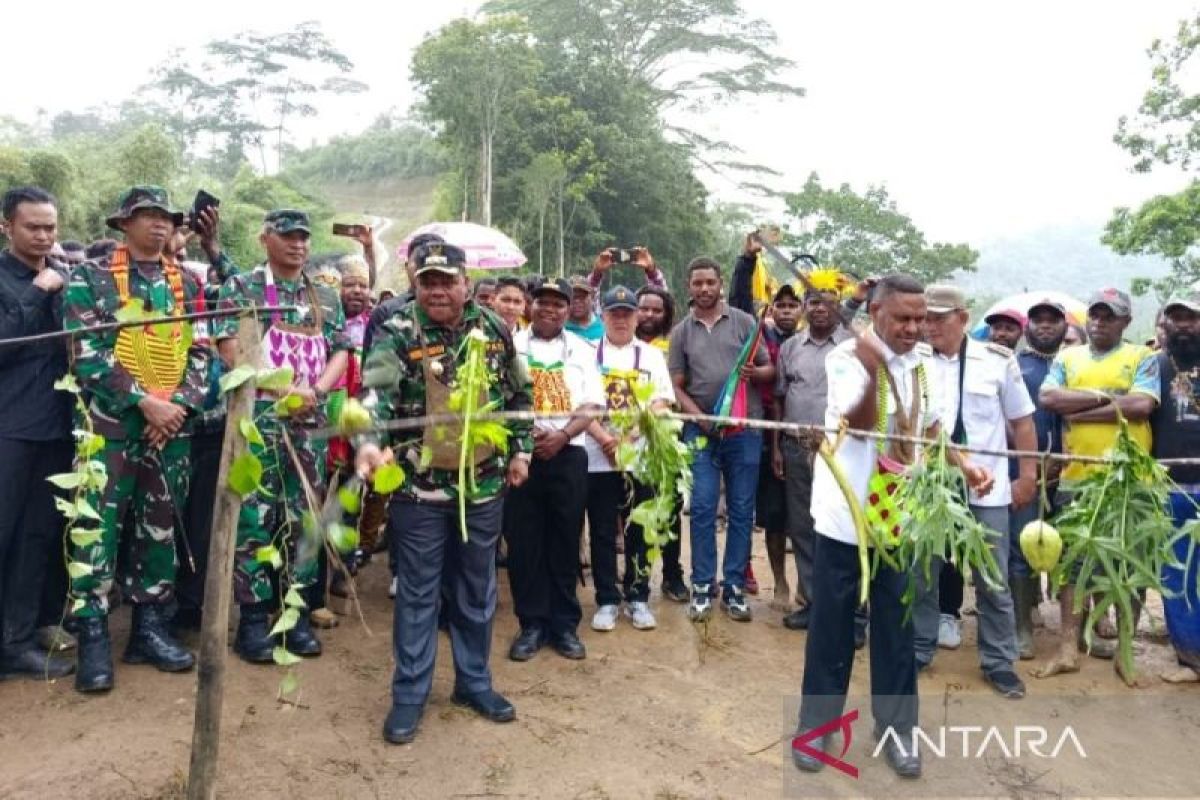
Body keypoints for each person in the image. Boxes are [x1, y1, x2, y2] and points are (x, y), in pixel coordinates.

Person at [793, 274, 993, 779]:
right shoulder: (844, 358)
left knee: (897, 629)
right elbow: (857, 425)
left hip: (901, 518)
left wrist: (965, 465)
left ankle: (898, 732)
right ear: (877, 312)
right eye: (903, 318)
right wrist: (870, 369)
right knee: (832, 630)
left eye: (919, 318)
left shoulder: (926, 366)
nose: (913, 327)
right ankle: (816, 729)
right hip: (847, 516)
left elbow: (933, 429)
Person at [355, 243, 533, 744]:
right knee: (418, 593)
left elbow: (520, 395)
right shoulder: (397, 330)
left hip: (483, 486)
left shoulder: (495, 329)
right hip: (419, 489)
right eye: (427, 280)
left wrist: (520, 451)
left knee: (477, 591)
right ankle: (409, 695)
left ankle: (474, 684)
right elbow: (374, 396)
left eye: (446, 280)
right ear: (415, 282)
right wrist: (370, 442)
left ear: (465, 283)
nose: (436, 290)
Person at [64, 186, 213, 694]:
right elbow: (86, 352)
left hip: (170, 431)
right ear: (123, 224)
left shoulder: (188, 283)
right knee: (99, 529)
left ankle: (149, 629)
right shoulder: (90, 278)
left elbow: (202, 351)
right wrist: (143, 402)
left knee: (160, 529)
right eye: (145, 216)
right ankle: (93, 638)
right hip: (110, 429)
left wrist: (177, 406)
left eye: (165, 217)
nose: (157, 224)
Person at [214, 209, 349, 664]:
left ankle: (292, 614)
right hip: (259, 422)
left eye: (303, 238)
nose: (298, 245)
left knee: (304, 518)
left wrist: (316, 391)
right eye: (287, 237)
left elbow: (342, 352)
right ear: (265, 238)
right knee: (255, 519)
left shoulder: (325, 295)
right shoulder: (242, 288)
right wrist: (278, 388)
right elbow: (229, 347)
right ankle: (253, 621)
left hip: (309, 424)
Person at [911, 285, 1036, 699]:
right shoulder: (913, 359)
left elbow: (1021, 422)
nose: (929, 326)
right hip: (929, 486)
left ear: (964, 318)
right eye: (925, 317)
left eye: (938, 318)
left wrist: (1027, 475)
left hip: (988, 486)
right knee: (923, 570)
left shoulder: (997, 361)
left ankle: (999, 661)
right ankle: (919, 647)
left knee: (993, 577)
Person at [1036, 288, 1160, 679]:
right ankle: (1068, 649)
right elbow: (1049, 398)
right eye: (1096, 315)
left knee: (1128, 567)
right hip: (1077, 478)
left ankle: (1125, 651)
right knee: (1073, 567)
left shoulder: (1144, 357)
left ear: (1125, 322)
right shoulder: (1067, 356)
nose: (1100, 322)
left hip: (1128, 482)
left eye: (1110, 316)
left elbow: (1142, 405)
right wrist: (1109, 397)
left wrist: (1084, 410)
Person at [669, 257, 774, 622]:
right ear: (689, 287)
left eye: (710, 282)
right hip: (701, 432)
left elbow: (769, 368)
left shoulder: (745, 322)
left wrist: (755, 371)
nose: (705, 289)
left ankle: (733, 587)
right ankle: (702, 585)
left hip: (744, 430)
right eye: (697, 283)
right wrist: (698, 418)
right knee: (700, 508)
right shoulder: (681, 331)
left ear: (718, 284)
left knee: (742, 510)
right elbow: (676, 387)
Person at [507, 278, 605, 660]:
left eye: (558, 304)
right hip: (521, 454)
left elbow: (593, 405)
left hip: (569, 453)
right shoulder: (511, 345)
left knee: (565, 540)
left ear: (569, 309)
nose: (550, 309)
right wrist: (526, 434)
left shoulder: (582, 349)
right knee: (524, 541)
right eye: (543, 302)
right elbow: (498, 397)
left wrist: (562, 436)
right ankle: (531, 625)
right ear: (531, 305)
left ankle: (564, 626)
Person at [0, 187, 74, 680]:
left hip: (55, 426)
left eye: (50, 227)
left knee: (37, 535)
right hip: (10, 429)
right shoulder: (21, 281)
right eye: (34, 227)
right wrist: (37, 290)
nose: (44, 236)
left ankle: (18, 641)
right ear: (7, 226)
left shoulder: (66, 278)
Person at [584, 286, 675, 633]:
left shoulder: (651, 356)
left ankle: (637, 597)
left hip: (641, 456)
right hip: (598, 454)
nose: (621, 320)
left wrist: (632, 433)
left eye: (627, 313)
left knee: (640, 527)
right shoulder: (589, 352)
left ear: (637, 317)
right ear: (602, 316)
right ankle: (607, 599)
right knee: (603, 529)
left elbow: (662, 400)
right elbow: (580, 402)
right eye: (614, 313)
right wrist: (606, 438)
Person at [772, 284, 854, 635]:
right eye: (814, 302)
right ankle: (812, 604)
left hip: (840, 450)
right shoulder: (791, 347)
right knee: (803, 526)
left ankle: (847, 609)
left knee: (841, 525)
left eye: (828, 303)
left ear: (839, 307)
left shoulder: (853, 346)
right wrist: (776, 446)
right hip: (795, 446)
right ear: (806, 308)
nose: (820, 309)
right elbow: (779, 397)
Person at [1008, 299, 1069, 659]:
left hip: (1071, 472)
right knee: (1022, 547)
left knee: (1070, 549)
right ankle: (1021, 629)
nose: (1045, 325)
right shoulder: (1015, 365)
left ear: (1064, 326)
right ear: (1028, 327)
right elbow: (1007, 418)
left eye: (1053, 320)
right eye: (1038, 320)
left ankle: (1071, 631)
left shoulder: (1073, 364)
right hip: (1026, 473)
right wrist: (1033, 462)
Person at [1153, 292, 1200, 683]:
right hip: (1168, 488)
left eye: (1193, 318)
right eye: (1177, 318)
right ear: (1164, 324)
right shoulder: (1153, 366)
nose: (1184, 325)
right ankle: (1189, 656)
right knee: (1176, 573)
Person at [636, 285, 689, 602]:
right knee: (633, 506)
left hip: (668, 436)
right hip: (628, 437)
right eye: (644, 308)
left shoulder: (673, 344)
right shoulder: (619, 343)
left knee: (670, 507)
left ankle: (672, 575)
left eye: (657, 310)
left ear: (667, 314)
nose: (649, 315)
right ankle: (635, 576)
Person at [753, 285, 802, 603]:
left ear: (801, 310)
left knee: (805, 518)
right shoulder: (761, 338)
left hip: (805, 436)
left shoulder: (809, 342)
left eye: (792, 305)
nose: (786, 310)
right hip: (767, 432)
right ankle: (780, 582)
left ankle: (805, 585)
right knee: (774, 515)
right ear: (772, 310)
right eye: (780, 305)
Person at [362, 232, 445, 355]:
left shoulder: (456, 310)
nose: (426, 269)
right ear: (407, 267)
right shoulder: (386, 313)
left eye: (434, 263)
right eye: (419, 262)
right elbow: (371, 368)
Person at [565, 276, 604, 344]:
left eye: (582, 296)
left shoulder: (604, 329)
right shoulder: (559, 330)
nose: (577, 301)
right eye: (572, 297)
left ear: (592, 297)